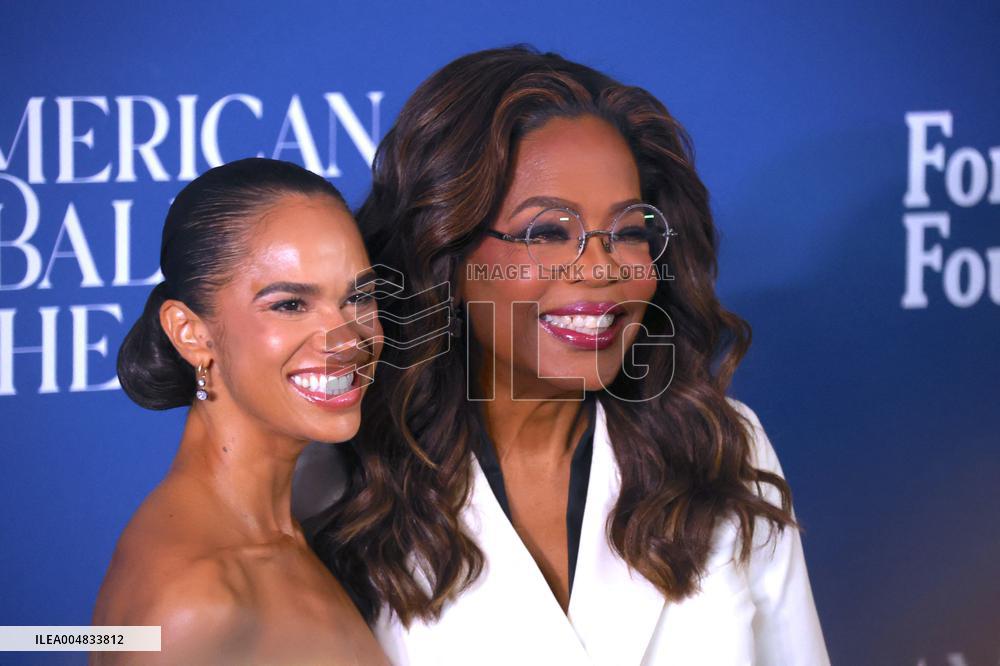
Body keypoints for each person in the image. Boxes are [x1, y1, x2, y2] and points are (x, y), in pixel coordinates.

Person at [313, 47, 830, 665]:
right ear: (445, 251)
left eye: (630, 229)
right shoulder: (336, 481)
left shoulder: (724, 447)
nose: (601, 269)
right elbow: (166, 636)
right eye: (547, 231)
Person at [91, 158, 388, 665]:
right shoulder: (200, 599)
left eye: (358, 297)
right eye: (290, 304)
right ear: (191, 333)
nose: (346, 340)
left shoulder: (292, 529)